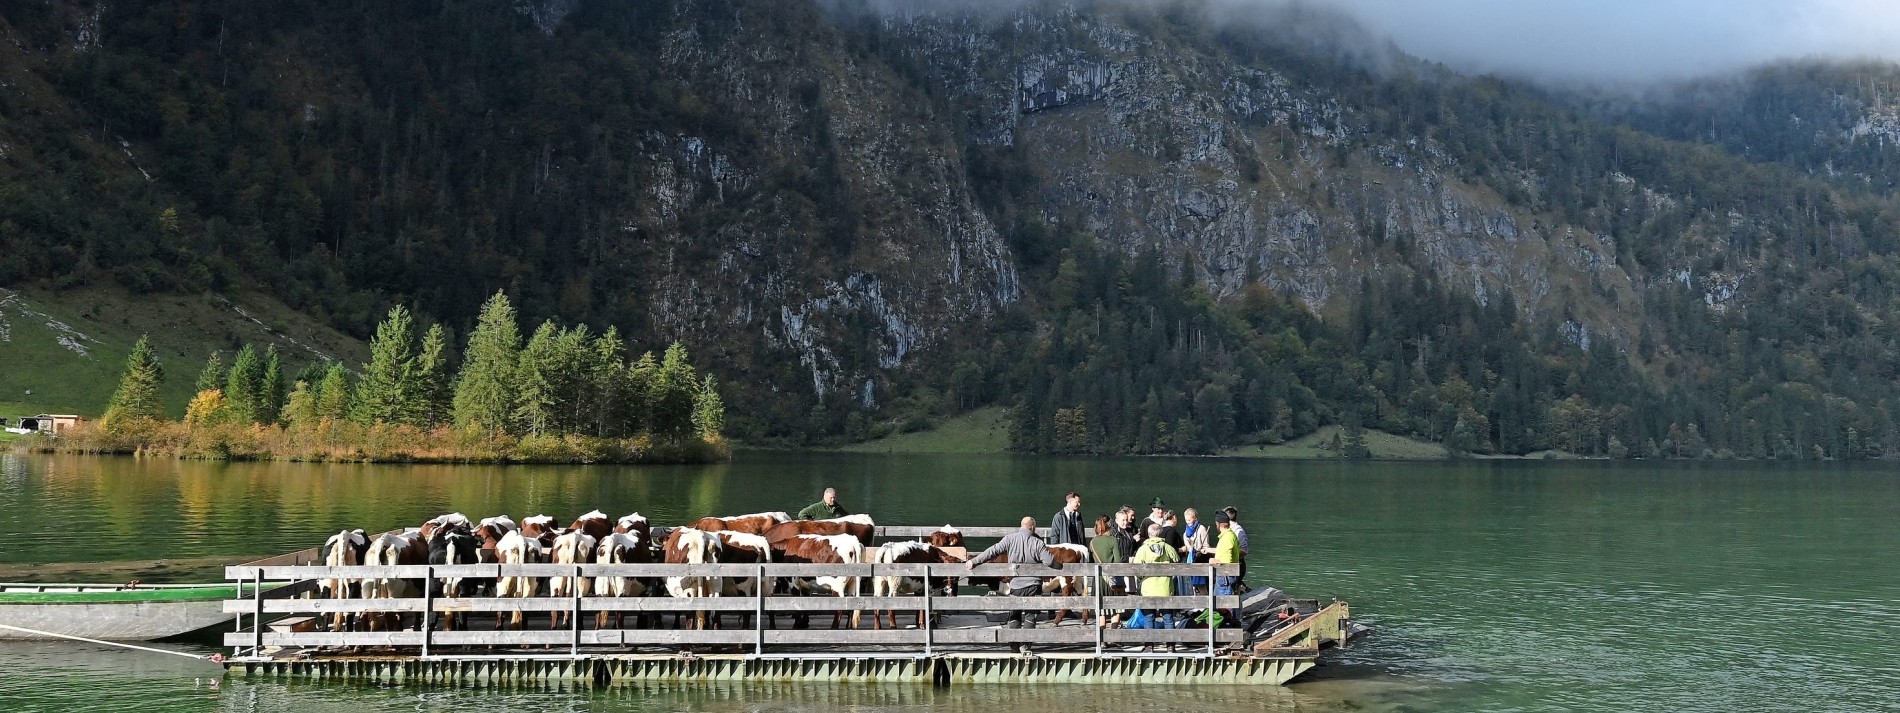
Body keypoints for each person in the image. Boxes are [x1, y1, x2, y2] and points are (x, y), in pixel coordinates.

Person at [967, 516, 1055, 632]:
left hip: (1016, 584)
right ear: (1032, 527)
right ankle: (1025, 644)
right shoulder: (1038, 542)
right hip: (1033, 585)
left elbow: (992, 551)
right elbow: (1049, 561)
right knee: (1031, 615)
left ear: (1021, 526)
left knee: (1015, 613)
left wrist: (974, 561)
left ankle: (1014, 644)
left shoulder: (1009, 539)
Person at [1132, 521, 1182, 650]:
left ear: (1149, 534)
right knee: (1168, 617)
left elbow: (1136, 567)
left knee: (1149, 617)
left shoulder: (1143, 549)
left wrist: (1142, 578)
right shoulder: (1168, 547)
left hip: (1148, 588)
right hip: (1165, 588)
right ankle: (1170, 646)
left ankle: (1149, 646)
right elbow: (1177, 560)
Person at [1202, 511, 1242, 625]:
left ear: (1218, 524)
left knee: (1224, 606)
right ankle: (1230, 629)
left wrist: (1212, 560)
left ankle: (1227, 632)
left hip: (1225, 578)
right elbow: (1223, 552)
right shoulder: (1231, 535)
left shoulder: (1226, 538)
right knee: (1224, 604)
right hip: (1227, 577)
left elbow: (1226, 562)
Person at [1086, 515, 1124, 627]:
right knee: (1116, 608)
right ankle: (1112, 637)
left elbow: (1091, 562)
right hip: (1112, 578)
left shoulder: (1092, 542)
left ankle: (1102, 638)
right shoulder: (1112, 540)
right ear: (1109, 526)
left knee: (1101, 609)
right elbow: (1117, 561)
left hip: (1099, 579)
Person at [1180, 508, 1212, 594]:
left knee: (1201, 584)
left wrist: (1201, 550)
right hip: (1191, 559)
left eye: (1189, 520)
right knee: (1194, 585)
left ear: (1195, 518)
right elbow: (1187, 545)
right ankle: (1198, 603)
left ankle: (1206, 604)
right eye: (1186, 520)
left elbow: (1206, 545)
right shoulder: (1186, 531)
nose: (1188, 522)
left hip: (1200, 559)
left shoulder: (1201, 529)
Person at [1221, 505, 1250, 587]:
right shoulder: (1229, 530)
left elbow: (1244, 550)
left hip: (1237, 565)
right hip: (1232, 565)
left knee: (1234, 591)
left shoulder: (1238, 531)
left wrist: (1233, 557)